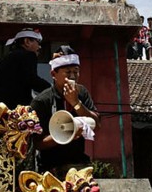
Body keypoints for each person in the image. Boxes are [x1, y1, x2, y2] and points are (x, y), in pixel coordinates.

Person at [32, 46, 101, 179]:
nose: (73, 77)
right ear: (53, 74)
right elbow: (36, 143)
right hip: (50, 167)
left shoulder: (82, 93)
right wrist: (64, 135)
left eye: (76, 72)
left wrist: (76, 103)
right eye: (68, 72)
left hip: (78, 163)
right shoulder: (42, 101)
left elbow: (96, 124)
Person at [0, 28, 51, 111]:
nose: (39, 46)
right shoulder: (28, 55)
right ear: (27, 41)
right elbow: (32, 80)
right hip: (15, 110)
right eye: (38, 42)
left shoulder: (3, 59)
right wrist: (51, 90)